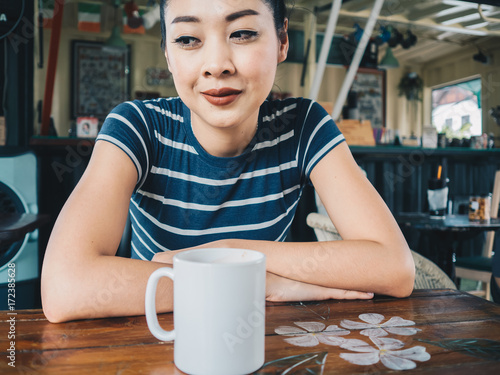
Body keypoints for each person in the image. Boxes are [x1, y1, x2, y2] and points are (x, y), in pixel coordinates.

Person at [41, 0, 415, 323]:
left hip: (262, 341)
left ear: (282, 41)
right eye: (188, 39)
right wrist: (255, 283)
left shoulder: (302, 127)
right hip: (154, 342)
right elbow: (64, 287)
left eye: (242, 33)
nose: (216, 65)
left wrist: (226, 254)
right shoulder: (138, 127)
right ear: (168, 54)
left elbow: (394, 269)